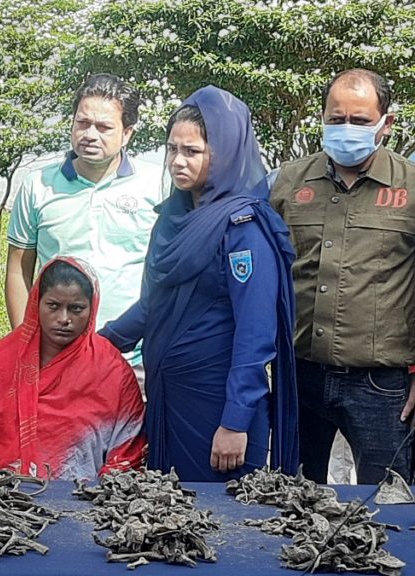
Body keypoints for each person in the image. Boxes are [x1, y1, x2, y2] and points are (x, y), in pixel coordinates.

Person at [100, 85, 299, 482]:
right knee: (166, 508)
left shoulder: (244, 228)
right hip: (168, 398)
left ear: (223, 154)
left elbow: (256, 332)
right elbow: (153, 305)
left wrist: (235, 421)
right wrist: (97, 344)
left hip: (217, 408)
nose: (177, 161)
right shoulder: (171, 220)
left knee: (221, 514)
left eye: (192, 151)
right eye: (172, 149)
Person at [270, 69, 415, 484]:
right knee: (292, 497)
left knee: (386, 501)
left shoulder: (410, 187)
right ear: (322, 118)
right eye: (336, 119)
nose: (346, 129)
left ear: (386, 124)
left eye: (360, 120)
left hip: (381, 385)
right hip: (299, 376)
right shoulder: (286, 183)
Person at [6, 74, 164, 385]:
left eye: (104, 127)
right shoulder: (38, 185)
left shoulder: (157, 185)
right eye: (82, 123)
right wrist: (27, 346)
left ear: (127, 133)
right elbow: (17, 271)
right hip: (58, 355)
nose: (90, 135)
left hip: (136, 357)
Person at [0, 257, 146, 480]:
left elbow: (128, 450)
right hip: (0, 495)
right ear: (36, 303)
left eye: (76, 309)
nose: (63, 319)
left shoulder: (112, 371)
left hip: (86, 497)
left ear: (92, 308)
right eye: (53, 306)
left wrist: (99, 494)